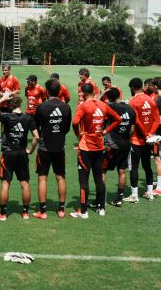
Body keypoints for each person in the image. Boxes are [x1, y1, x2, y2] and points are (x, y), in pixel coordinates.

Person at [70, 83, 121, 219]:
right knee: (99, 179)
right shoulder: (103, 105)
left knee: (84, 180)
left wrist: (78, 134)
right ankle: (101, 208)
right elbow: (118, 119)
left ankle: (83, 211)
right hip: (99, 147)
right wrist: (105, 131)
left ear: (84, 94)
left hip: (86, 148)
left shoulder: (83, 106)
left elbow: (75, 122)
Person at [0, 92, 39, 221]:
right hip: (22, 153)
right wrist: (30, 150)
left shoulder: (6, 117)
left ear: (10, 105)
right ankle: (26, 212)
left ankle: (3, 214)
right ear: (21, 104)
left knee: (6, 183)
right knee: (25, 183)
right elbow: (36, 137)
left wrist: (3, 98)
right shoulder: (28, 118)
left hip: (8, 153)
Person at [33, 78, 71, 219]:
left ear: (47, 91)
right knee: (60, 178)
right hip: (60, 146)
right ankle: (61, 210)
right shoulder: (66, 107)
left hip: (44, 147)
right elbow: (66, 128)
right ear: (59, 91)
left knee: (42, 178)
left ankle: (42, 212)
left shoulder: (42, 107)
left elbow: (35, 127)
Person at [123, 78, 161, 203]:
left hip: (136, 140)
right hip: (149, 140)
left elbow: (137, 120)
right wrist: (150, 134)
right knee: (147, 166)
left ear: (133, 87)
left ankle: (134, 195)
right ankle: (150, 192)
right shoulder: (151, 99)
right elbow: (156, 120)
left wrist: (145, 134)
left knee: (133, 167)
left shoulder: (133, 101)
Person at [103, 88, 135, 207]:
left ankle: (101, 198)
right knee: (122, 171)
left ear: (110, 98)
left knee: (103, 170)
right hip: (125, 144)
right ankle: (119, 198)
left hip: (112, 145)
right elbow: (132, 130)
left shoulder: (110, 108)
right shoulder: (130, 109)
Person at [0, 64, 21, 142]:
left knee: (13, 120)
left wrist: (9, 94)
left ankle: (12, 136)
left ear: (9, 70)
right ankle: (2, 137)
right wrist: (2, 94)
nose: (4, 72)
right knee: (2, 121)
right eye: (3, 70)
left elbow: (18, 90)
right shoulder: (1, 80)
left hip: (11, 104)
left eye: (6, 70)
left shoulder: (14, 79)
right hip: (3, 104)